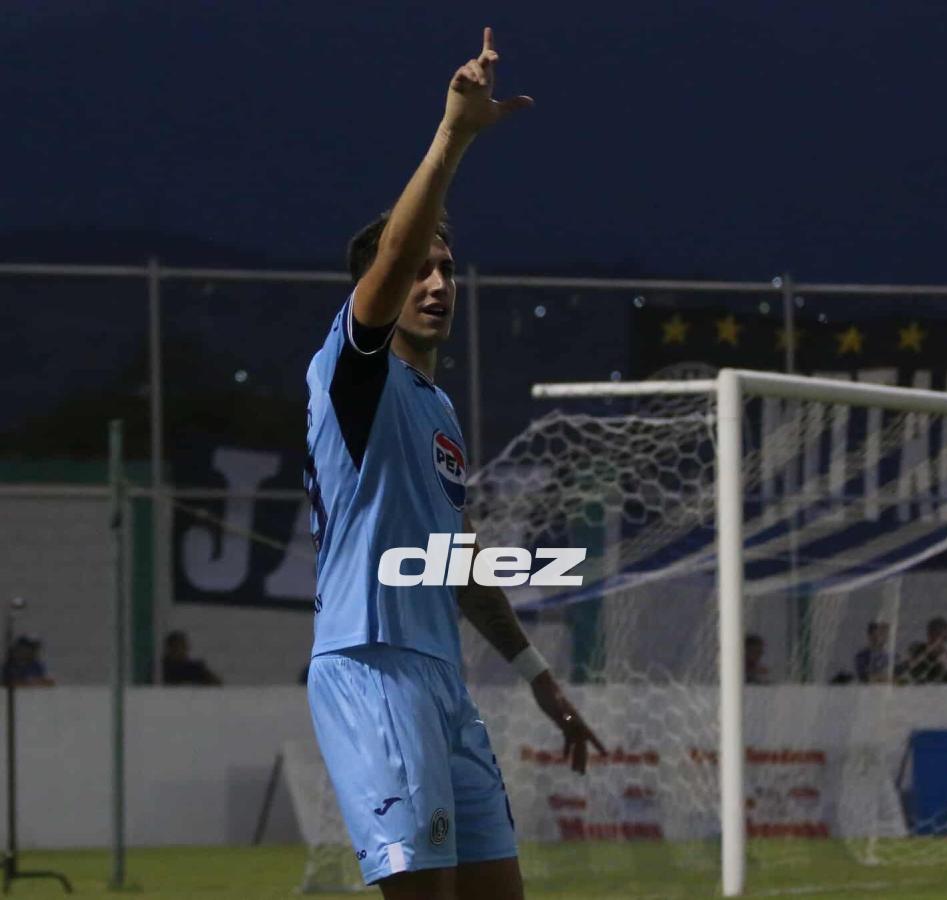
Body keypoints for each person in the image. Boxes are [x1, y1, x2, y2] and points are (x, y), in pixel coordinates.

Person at [303, 29, 603, 900]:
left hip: (440, 678)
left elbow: (454, 560)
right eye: (418, 270)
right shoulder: (350, 373)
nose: (436, 283)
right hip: (372, 664)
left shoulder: (437, 411)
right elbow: (392, 257)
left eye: (448, 268)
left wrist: (539, 679)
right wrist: (454, 136)